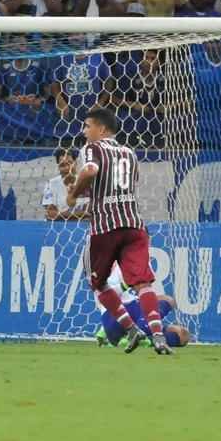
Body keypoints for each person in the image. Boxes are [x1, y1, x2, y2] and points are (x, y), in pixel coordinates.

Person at [65, 106, 172, 354]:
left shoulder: (92, 148)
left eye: (87, 126)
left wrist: (74, 193)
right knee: (143, 283)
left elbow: (91, 171)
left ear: (101, 129)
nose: (84, 131)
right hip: (134, 224)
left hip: (106, 226)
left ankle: (132, 330)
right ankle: (157, 336)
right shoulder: (129, 153)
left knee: (99, 284)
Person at [42, 148, 88, 221]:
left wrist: (60, 214)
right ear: (58, 167)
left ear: (76, 163)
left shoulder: (86, 182)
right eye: (62, 165)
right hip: (58, 227)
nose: (67, 168)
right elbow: (51, 214)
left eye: (70, 163)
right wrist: (82, 214)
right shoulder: (51, 184)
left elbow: (91, 211)